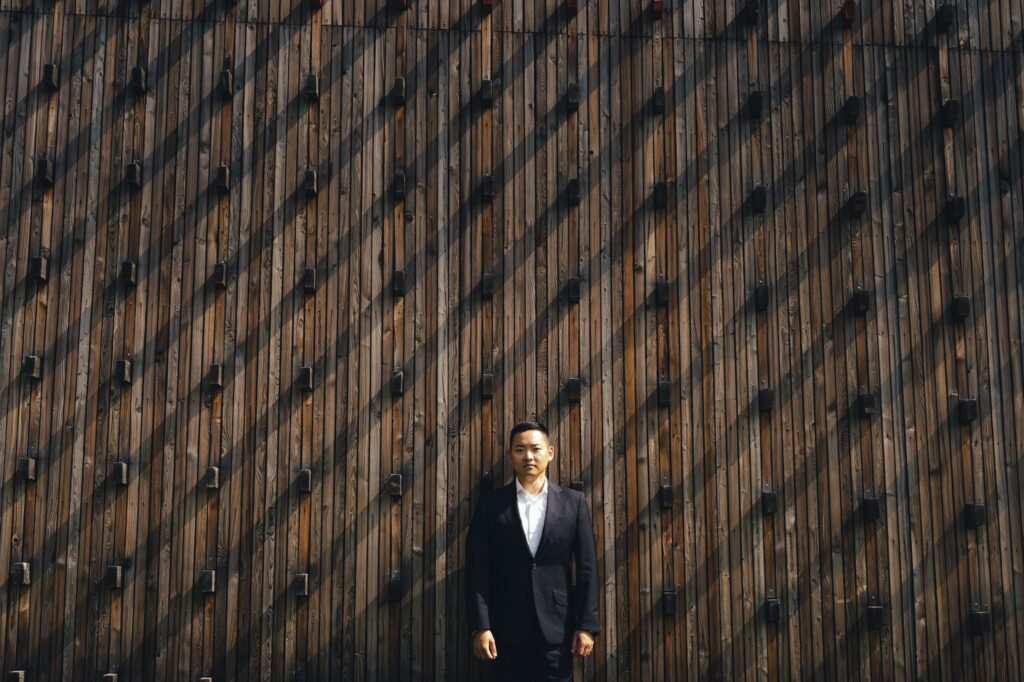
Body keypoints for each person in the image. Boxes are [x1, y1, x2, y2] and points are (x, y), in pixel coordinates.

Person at [465, 420, 601, 681]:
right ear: (510, 456)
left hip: (558, 632)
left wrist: (587, 625)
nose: (528, 456)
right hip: (503, 631)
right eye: (520, 449)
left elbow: (587, 569)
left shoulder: (573, 504)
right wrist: (480, 627)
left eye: (535, 449)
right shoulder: (491, 504)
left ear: (550, 453)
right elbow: (477, 569)